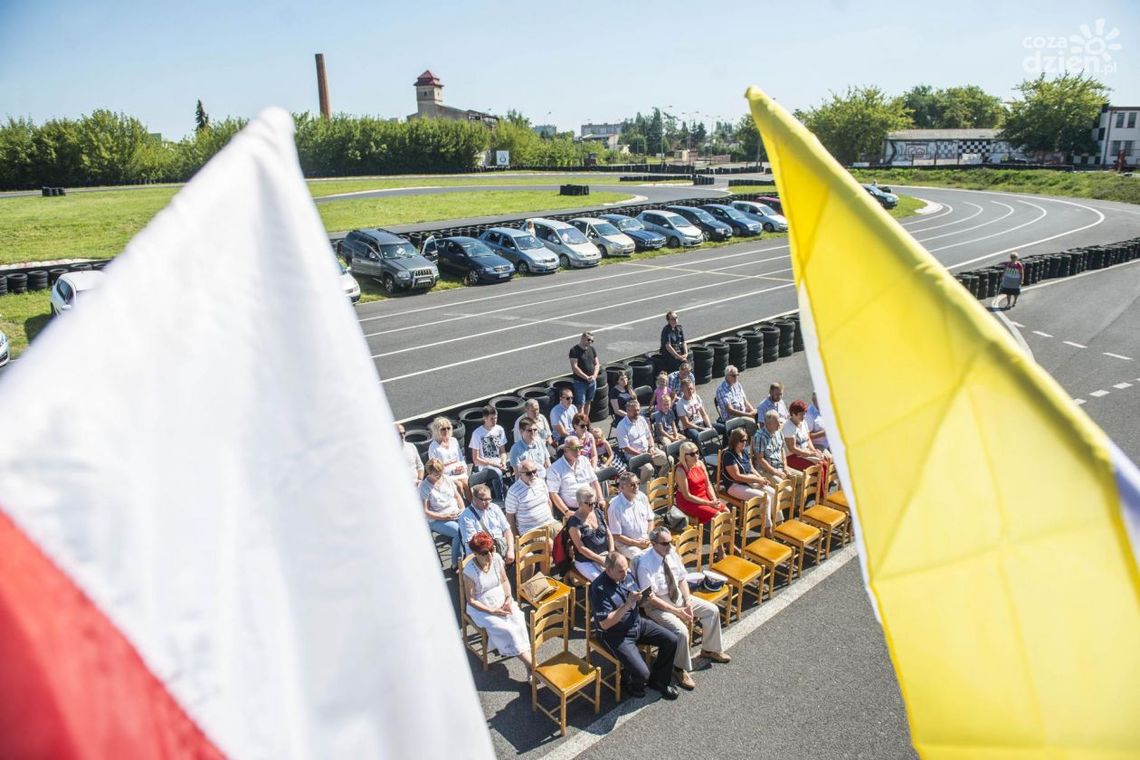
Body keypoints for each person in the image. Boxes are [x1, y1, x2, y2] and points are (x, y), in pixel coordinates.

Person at [637, 526, 731, 691]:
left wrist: (687, 601)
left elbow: (681, 578)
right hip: (658, 605)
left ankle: (710, 649)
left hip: (678, 596)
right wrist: (677, 611)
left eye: (671, 542)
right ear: (653, 544)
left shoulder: (671, 553)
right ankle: (678, 668)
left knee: (712, 610)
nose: (669, 546)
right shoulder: (644, 564)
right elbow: (651, 598)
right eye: (665, 543)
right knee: (681, 631)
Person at [589, 552, 680, 700]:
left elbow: (637, 597)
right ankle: (630, 682)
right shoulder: (598, 588)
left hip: (637, 623)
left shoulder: (627, 575)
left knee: (671, 640)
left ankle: (659, 681)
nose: (625, 574)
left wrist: (645, 598)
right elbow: (605, 624)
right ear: (608, 570)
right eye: (620, 571)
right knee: (643, 673)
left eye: (626, 569)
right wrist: (628, 603)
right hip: (616, 635)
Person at [463, 532, 532, 672]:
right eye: (484, 553)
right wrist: (492, 611)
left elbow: (504, 580)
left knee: (518, 620)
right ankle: (532, 666)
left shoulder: (496, 558)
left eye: (491, 550)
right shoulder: (469, 570)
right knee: (508, 630)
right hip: (482, 607)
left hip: (502, 599)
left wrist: (507, 598)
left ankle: (530, 666)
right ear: (475, 553)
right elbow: (470, 600)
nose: (489, 555)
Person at [721, 427, 777, 529]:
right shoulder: (728, 455)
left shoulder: (744, 451)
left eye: (746, 440)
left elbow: (751, 468)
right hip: (734, 486)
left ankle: (777, 521)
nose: (745, 443)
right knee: (765, 498)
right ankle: (767, 528)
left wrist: (761, 478)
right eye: (742, 440)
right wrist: (757, 480)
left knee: (773, 493)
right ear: (735, 441)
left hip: (749, 481)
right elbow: (737, 477)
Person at [419, 458, 465, 570]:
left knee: (469, 525)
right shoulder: (424, 487)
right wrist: (445, 517)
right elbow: (426, 512)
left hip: (454, 512)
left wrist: (463, 509)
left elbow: (457, 496)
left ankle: (468, 556)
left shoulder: (447, 479)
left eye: (440, 474)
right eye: (436, 475)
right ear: (429, 473)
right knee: (458, 532)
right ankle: (456, 564)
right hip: (437, 518)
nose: (439, 477)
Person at [752, 410, 803, 509]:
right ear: (768, 424)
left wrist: (785, 467)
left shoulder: (778, 432)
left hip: (780, 466)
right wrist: (776, 472)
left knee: (802, 478)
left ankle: (793, 507)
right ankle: (780, 509)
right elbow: (760, 460)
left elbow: (782, 450)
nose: (779, 424)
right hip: (767, 471)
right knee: (788, 490)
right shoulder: (759, 437)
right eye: (777, 422)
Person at [545, 435, 603, 519]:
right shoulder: (554, 469)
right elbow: (553, 493)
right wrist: (566, 511)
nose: (579, 451)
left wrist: (600, 498)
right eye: (575, 448)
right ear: (566, 449)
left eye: (580, 447)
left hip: (591, 504)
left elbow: (594, 481)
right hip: (573, 510)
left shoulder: (584, 460)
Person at [674, 441, 730, 526]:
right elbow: (687, 495)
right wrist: (709, 503)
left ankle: (727, 537)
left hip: (703, 496)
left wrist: (714, 500)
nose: (696, 456)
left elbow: (708, 484)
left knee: (727, 512)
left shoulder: (700, 463)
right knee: (717, 515)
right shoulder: (681, 471)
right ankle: (715, 538)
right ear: (684, 456)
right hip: (689, 501)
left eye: (697, 452)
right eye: (692, 454)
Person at [783, 400, 832, 496]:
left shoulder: (803, 422)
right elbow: (793, 449)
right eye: (801, 414)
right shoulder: (788, 427)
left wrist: (814, 450)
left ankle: (820, 491)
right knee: (818, 467)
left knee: (824, 462)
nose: (804, 416)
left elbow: (808, 438)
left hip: (805, 452)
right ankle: (820, 496)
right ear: (793, 414)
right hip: (793, 457)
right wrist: (811, 454)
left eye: (804, 414)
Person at [616, 399, 670, 482]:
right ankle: (643, 489)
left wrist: (652, 447)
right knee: (648, 468)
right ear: (627, 411)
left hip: (648, 451)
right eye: (634, 411)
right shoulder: (621, 426)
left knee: (669, 460)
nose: (637, 412)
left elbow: (649, 436)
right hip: (634, 456)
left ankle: (659, 481)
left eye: (638, 410)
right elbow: (626, 447)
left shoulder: (641, 419)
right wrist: (642, 454)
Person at [459, 484, 515, 564]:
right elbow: (473, 545)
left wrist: (510, 551)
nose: (488, 502)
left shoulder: (495, 508)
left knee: (528, 557)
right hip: (482, 555)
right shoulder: (466, 517)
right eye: (484, 499)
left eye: (489, 499)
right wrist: (494, 559)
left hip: (502, 547)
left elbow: (507, 530)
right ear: (474, 498)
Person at [504, 461, 560, 541]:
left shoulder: (541, 482)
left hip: (549, 523)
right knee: (548, 544)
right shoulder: (513, 492)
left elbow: (548, 502)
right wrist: (517, 539)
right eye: (528, 473)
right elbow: (510, 517)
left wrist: (551, 518)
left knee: (566, 535)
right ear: (520, 474)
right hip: (530, 530)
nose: (533, 475)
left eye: (534, 471)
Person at [568, 485, 614, 581]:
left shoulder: (597, 512)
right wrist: (600, 559)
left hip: (605, 554)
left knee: (622, 572)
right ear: (579, 503)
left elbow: (609, 534)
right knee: (602, 581)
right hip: (586, 561)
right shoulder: (574, 522)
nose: (593, 506)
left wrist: (612, 553)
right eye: (589, 504)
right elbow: (581, 548)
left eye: (594, 503)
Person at [606, 471, 653, 559]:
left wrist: (649, 537)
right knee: (643, 559)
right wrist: (637, 543)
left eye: (637, 483)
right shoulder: (615, 507)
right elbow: (616, 535)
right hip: (628, 545)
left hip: (646, 539)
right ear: (622, 488)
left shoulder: (642, 497)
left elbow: (650, 519)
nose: (636, 487)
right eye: (632, 484)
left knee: (666, 550)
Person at [469, 405, 508, 500]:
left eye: (496, 418)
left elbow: (503, 451)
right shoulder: (477, 433)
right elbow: (476, 459)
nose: (494, 421)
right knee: (497, 472)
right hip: (485, 465)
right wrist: (494, 464)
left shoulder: (499, 430)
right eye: (492, 419)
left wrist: (503, 461)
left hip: (498, 462)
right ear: (485, 418)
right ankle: (500, 498)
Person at [428, 417, 469, 496]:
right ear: (437, 431)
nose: (446, 430)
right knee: (459, 486)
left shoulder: (454, 440)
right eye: (443, 429)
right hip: (445, 475)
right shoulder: (433, 447)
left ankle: (472, 506)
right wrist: (453, 471)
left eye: (448, 428)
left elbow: (461, 458)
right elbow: (436, 468)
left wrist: (463, 468)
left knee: (466, 484)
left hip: (459, 472)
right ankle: (460, 506)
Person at [674, 378, 717, 443]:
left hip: (702, 423)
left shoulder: (696, 397)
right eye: (687, 389)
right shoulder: (680, 404)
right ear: (682, 390)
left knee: (724, 427)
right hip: (690, 428)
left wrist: (709, 426)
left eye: (691, 388)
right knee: (696, 436)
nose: (690, 391)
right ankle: (700, 452)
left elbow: (704, 414)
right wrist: (701, 429)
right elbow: (686, 423)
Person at [568, 332, 600, 418]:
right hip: (580, 382)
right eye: (588, 339)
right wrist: (586, 377)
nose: (590, 342)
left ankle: (585, 421)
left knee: (588, 402)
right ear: (582, 338)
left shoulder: (592, 349)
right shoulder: (574, 350)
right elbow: (574, 367)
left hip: (592, 381)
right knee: (580, 404)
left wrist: (595, 375)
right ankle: (580, 422)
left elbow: (597, 364)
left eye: (592, 341)